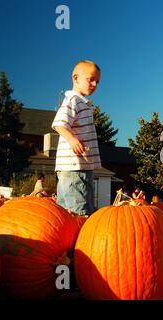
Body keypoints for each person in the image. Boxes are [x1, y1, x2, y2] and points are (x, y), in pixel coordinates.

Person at [51, 60, 102, 216]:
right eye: (90, 79)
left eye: (97, 81)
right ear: (76, 78)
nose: (94, 84)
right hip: (75, 166)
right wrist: (72, 140)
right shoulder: (73, 100)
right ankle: (78, 238)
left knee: (66, 211)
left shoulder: (83, 103)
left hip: (80, 166)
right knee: (79, 210)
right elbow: (59, 124)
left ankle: (65, 237)